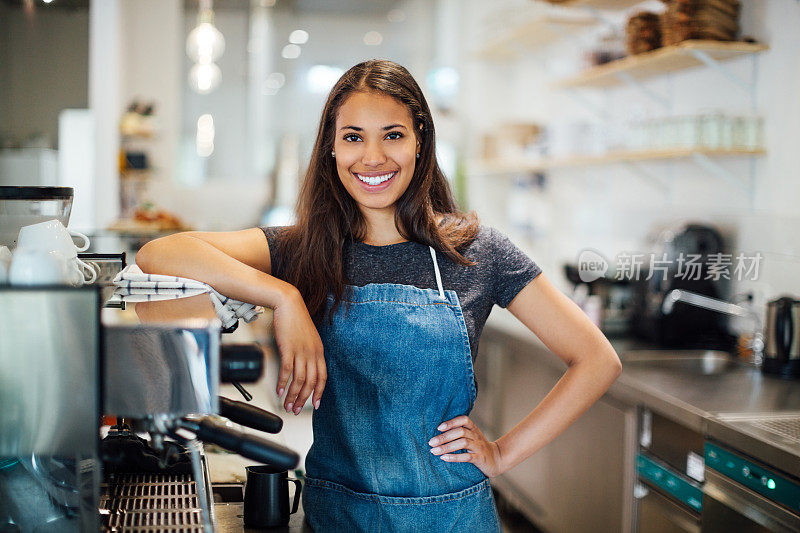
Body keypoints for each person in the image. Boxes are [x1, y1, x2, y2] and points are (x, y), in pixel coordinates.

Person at [136, 59, 622, 532]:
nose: (372, 157)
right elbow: (161, 252)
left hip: (451, 519)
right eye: (353, 137)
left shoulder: (477, 251)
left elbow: (597, 359)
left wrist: (503, 453)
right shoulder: (303, 249)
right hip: (337, 516)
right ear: (331, 147)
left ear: (419, 142)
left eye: (393, 134)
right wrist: (285, 297)